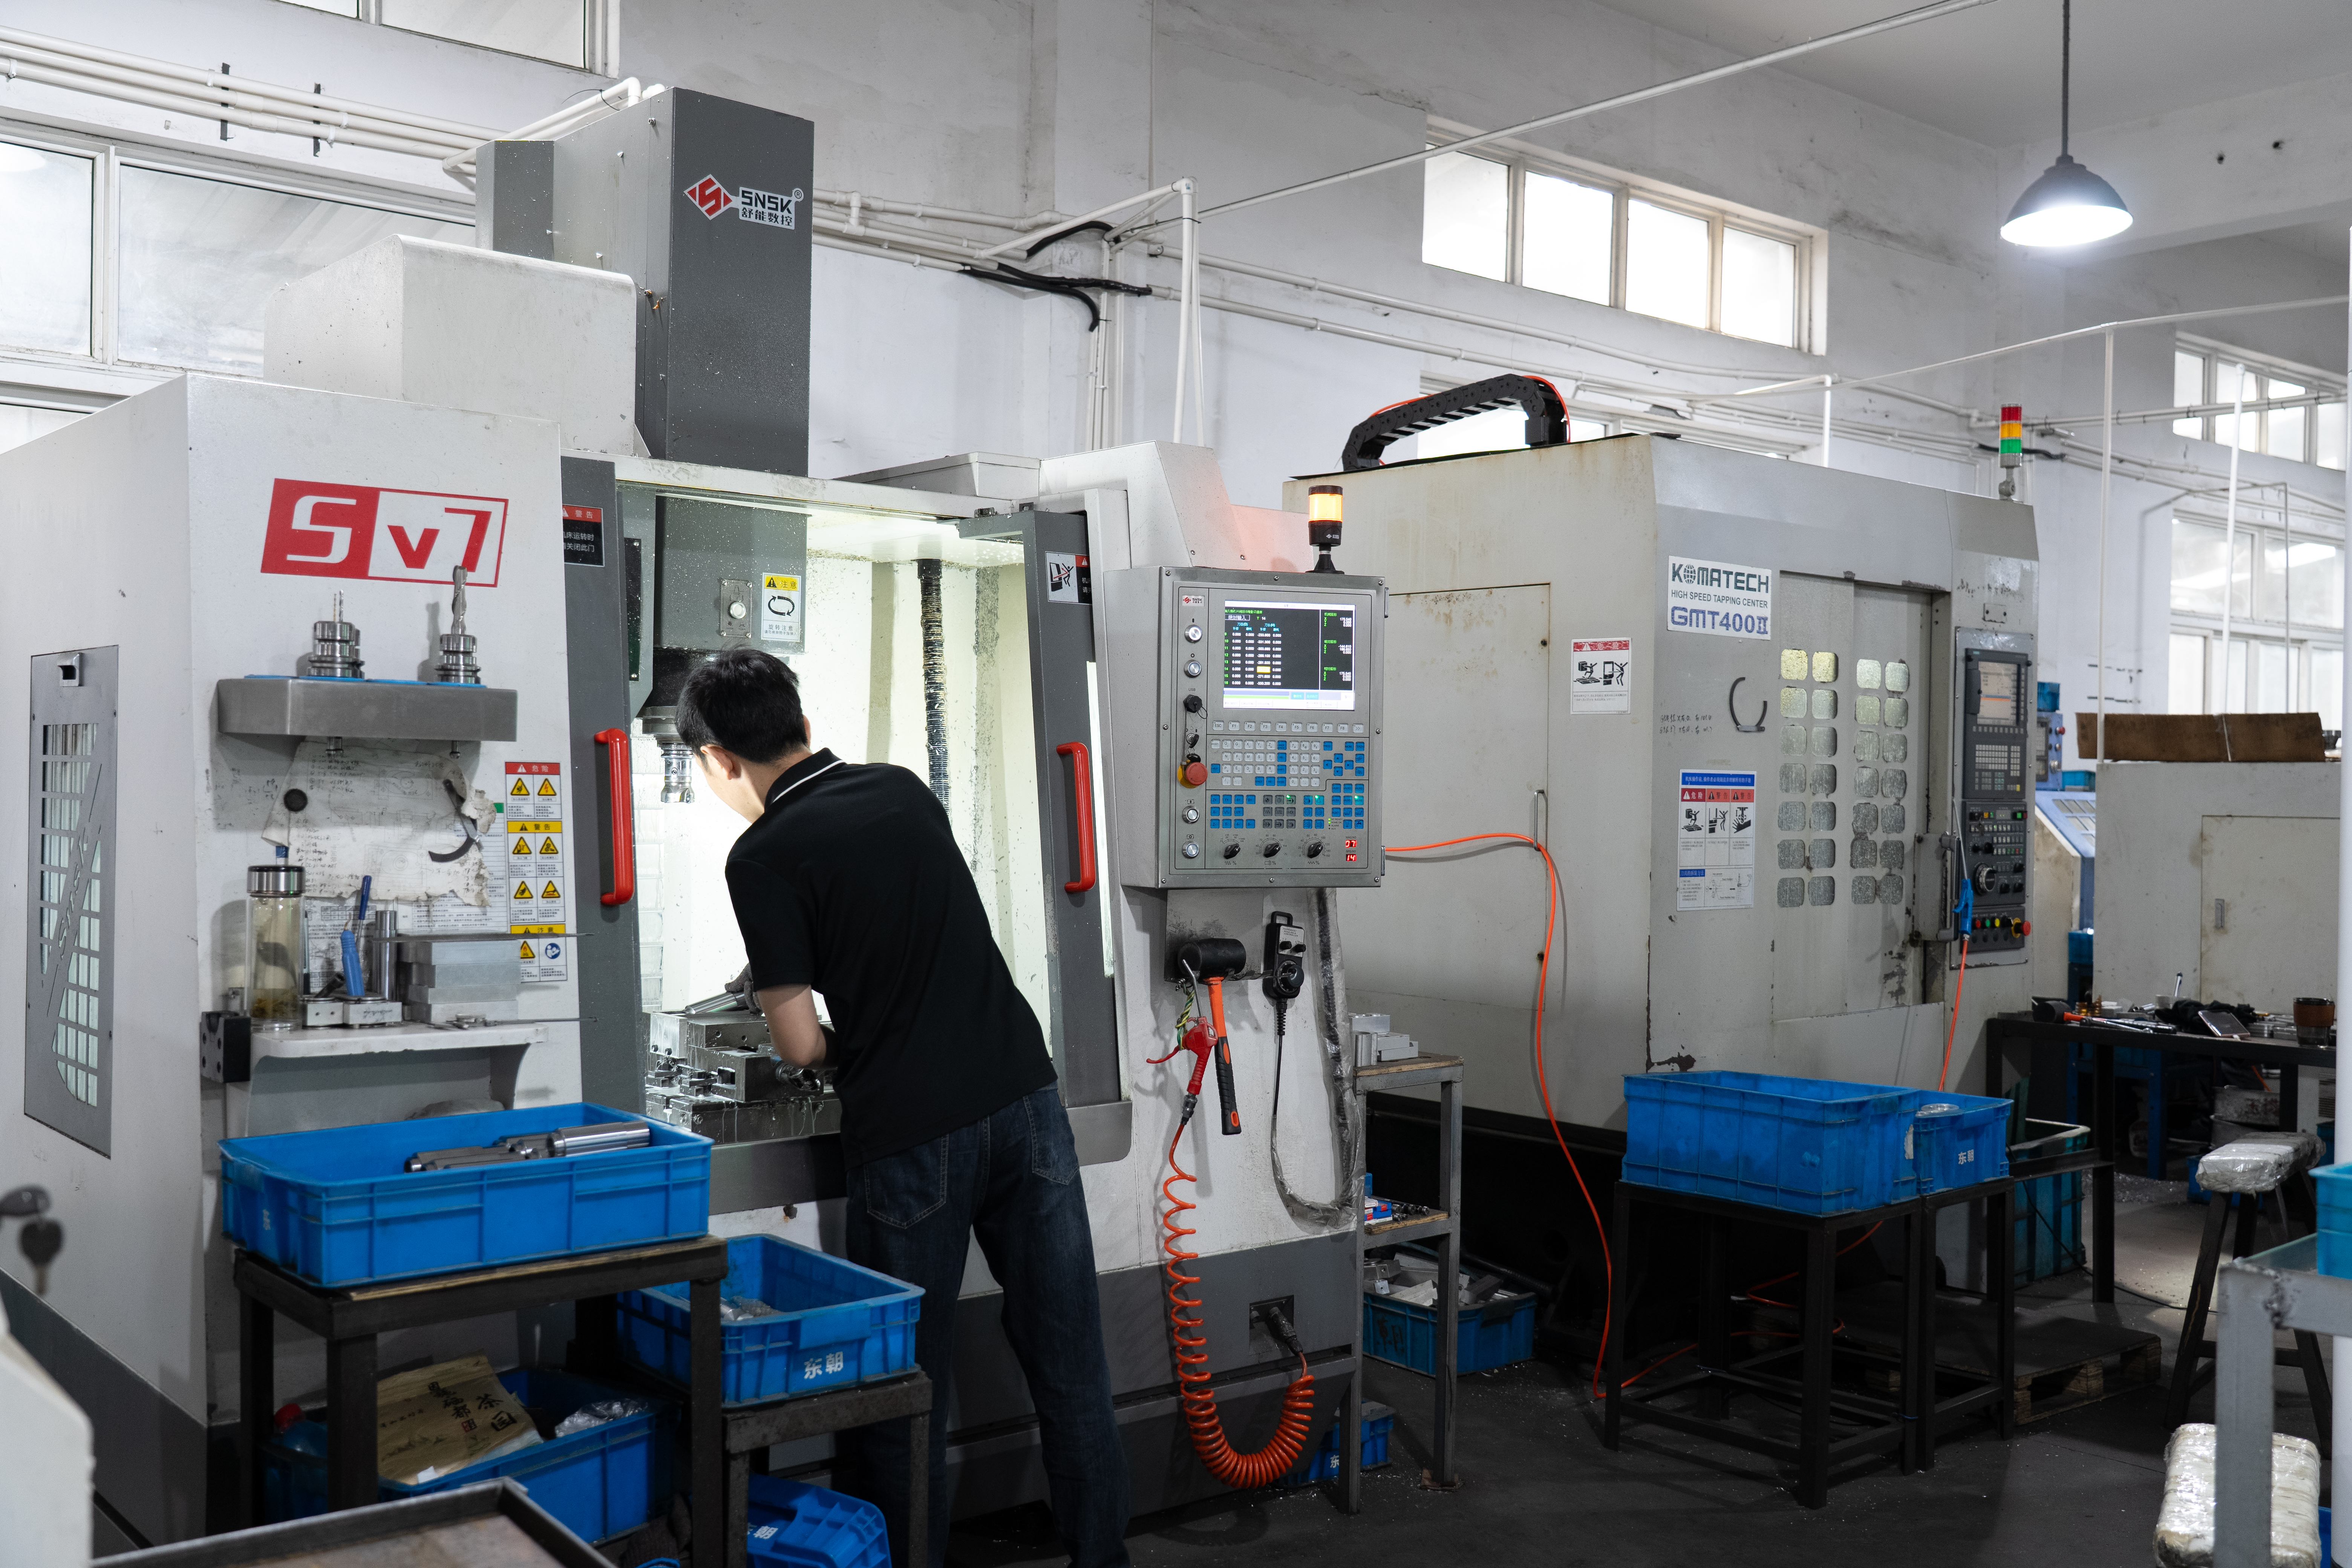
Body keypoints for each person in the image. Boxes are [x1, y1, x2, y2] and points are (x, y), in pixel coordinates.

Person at [675, 648, 1131, 1568]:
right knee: (1071, 1363)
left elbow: (799, 1045)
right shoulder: (902, 787)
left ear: (720, 758)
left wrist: (848, 1034)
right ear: (801, 722)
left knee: (902, 1384)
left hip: (916, 1136)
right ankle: (1103, 1559)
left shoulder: (760, 856)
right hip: (1024, 1098)